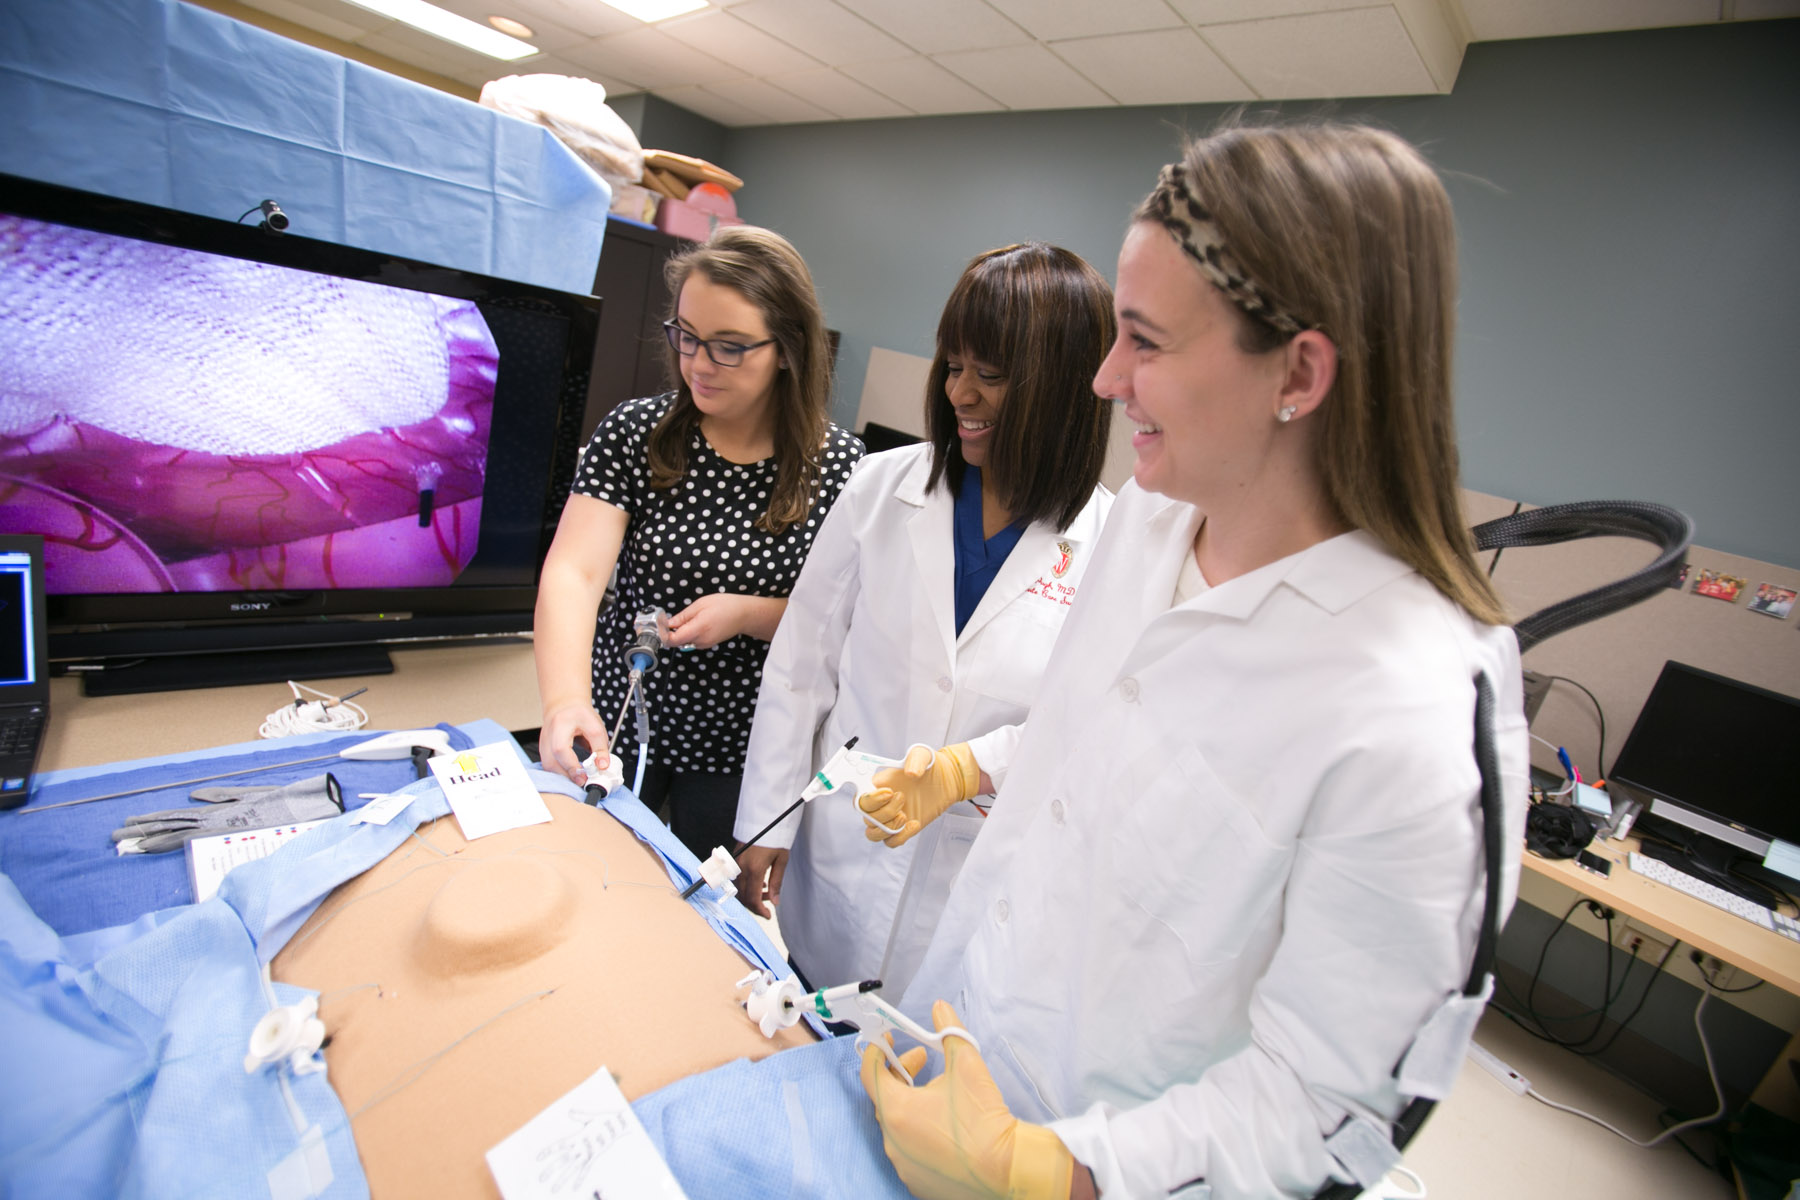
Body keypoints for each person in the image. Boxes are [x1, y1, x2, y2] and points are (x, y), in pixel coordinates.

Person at [856, 122, 1531, 1200]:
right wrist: (976, 766)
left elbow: (1322, 1110)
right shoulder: (1152, 525)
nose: (1104, 379)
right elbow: (1112, 746)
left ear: (1299, 372)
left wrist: (1049, 1174)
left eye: (1146, 341)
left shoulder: (1413, 713)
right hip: (967, 1049)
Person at [733, 243, 1116, 997]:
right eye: (953, 366)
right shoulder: (882, 488)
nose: (959, 395)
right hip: (839, 857)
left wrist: (975, 767)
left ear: (1065, 391)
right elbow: (802, 665)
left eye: (991, 376)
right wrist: (765, 823)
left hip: (972, 895)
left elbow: (1093, 726)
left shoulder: (1113, 547)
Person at [534, 225, 862, 861]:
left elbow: (851, 626)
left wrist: (748, 613)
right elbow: (574, 573)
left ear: (789, 350)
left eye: (729, 347)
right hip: (618, 719)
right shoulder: (636, 434)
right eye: (686, 336)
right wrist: (564, 702)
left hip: (741, 748)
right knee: (579, 873)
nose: (698, 364)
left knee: (693, 911)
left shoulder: (843, 469)